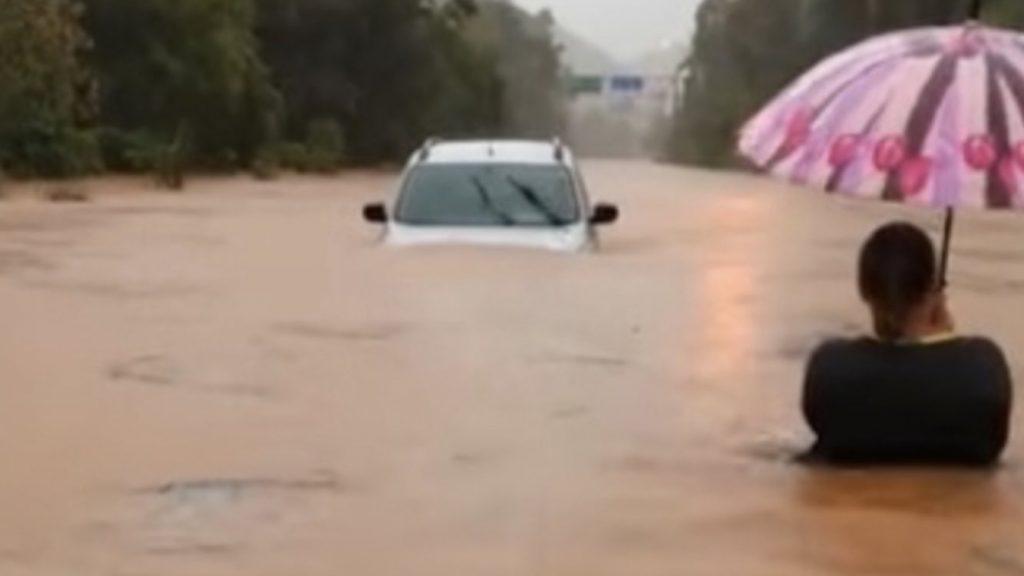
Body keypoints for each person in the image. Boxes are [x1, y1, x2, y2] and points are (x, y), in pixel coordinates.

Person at [803, 222, 1013, 465]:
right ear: (933, 290)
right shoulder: (982, 371)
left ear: (863, 289)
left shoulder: (829, 370)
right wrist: (945, 341)